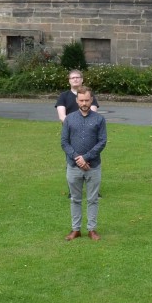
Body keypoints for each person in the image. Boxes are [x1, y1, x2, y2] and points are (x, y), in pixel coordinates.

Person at [61, 87, 108, 241]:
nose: (84, 103)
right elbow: (64, 142)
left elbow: (102, 141)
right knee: (75, 199)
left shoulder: (99, 119)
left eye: (87, 100)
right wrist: (77, 159)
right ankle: (76, 229)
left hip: (93, 166)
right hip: (73, 166)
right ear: (77, 101)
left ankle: (92, 229)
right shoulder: (69, 119)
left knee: (93, 199)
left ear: (92, 99)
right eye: (81, 100)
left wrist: (86, 158)